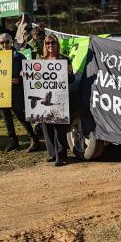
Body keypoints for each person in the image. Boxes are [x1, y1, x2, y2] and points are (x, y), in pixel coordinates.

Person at [0, 33, 40, 152]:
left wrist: (19, 79)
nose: (4, 44)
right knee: (6, 117)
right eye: (2, 42)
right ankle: (13, 140)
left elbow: (29, 74)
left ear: (11, 42)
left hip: (16, 92)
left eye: (7, 42)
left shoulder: (19, 57)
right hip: (1, 92)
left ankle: (34, 139)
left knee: (21, 116)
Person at [41, 34, 74, 166]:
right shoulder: (41, 60)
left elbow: (71, 81)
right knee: (47, 127)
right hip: (45, 98)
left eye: (53, 43)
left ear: (57, 44)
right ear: (45, 45)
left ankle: (62, 156)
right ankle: (52, 154)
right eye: (48, 43)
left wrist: (69, 73)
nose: (50, 45)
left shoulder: (65, 60)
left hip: (60, 98)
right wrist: (25, 74)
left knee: (59, 127)